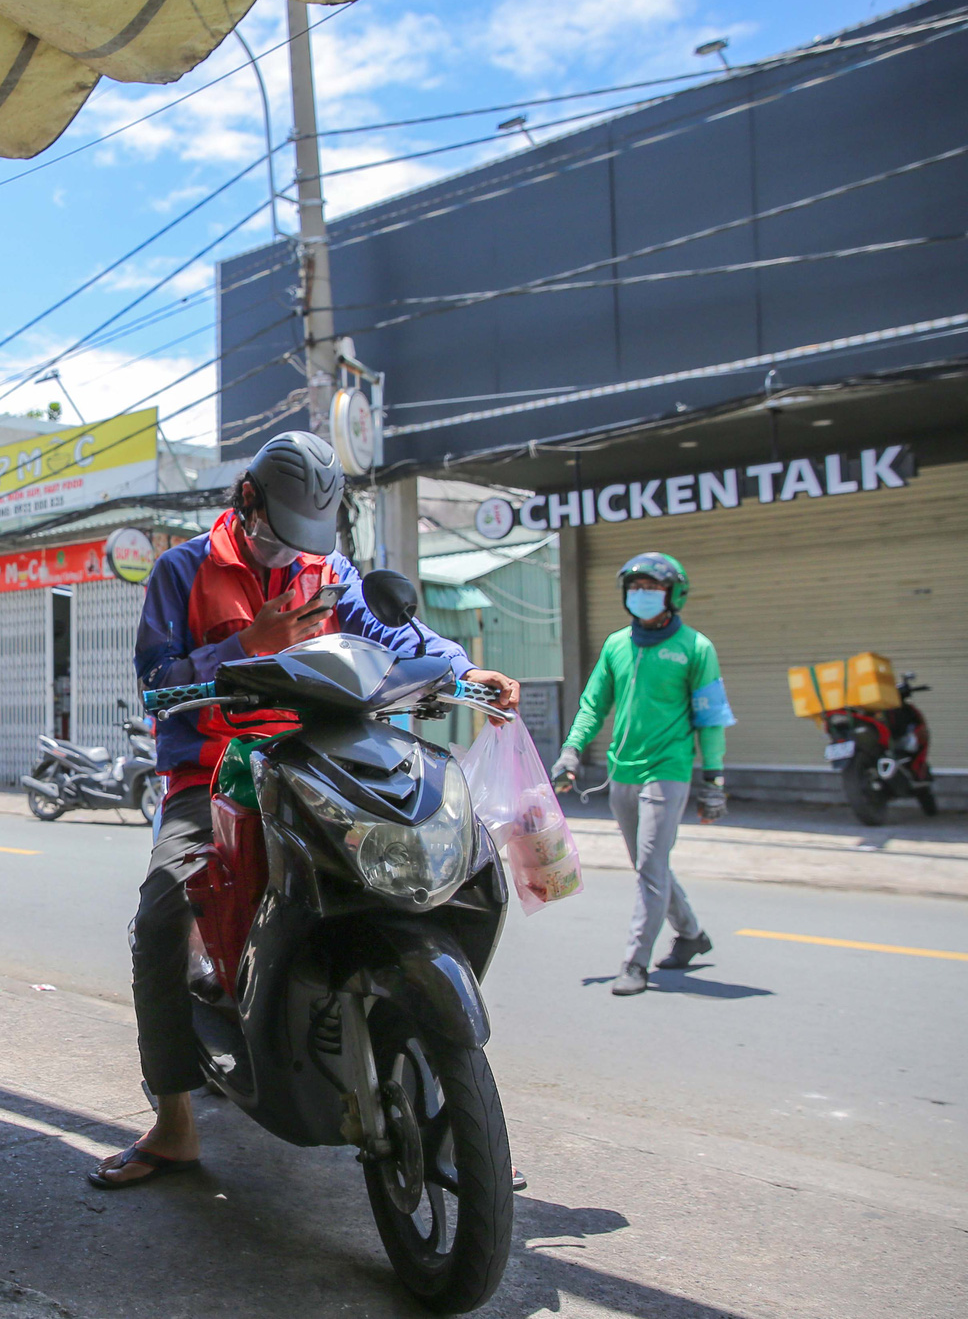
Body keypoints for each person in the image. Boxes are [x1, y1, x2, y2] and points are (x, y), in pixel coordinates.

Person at [94, 431, 521, 1189]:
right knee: (160, 920)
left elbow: (393, 633)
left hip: (321, 762)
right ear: (246, 500)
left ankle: (440, 1092)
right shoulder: (181, 570)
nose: (288, 553)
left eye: (303, 542)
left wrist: (462, 668)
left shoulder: (328, 570)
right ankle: (174, 1122)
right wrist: (244, 647)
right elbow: (158, 678)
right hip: (215, 772)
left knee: (451, 867)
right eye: (277, 534)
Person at [553, 553, 731, 996]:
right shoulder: (616, 645)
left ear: (674, 594)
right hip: (622, 771)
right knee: (649, 866)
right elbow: (593, 705)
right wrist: (571, 751)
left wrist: (714, 780)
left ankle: (635, 962)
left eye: (652, 588)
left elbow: (711, 719)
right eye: (636, 587)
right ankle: (690, 933)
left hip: (668, 769)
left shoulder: (696, 648)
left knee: (651, 867)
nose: (642, 595)